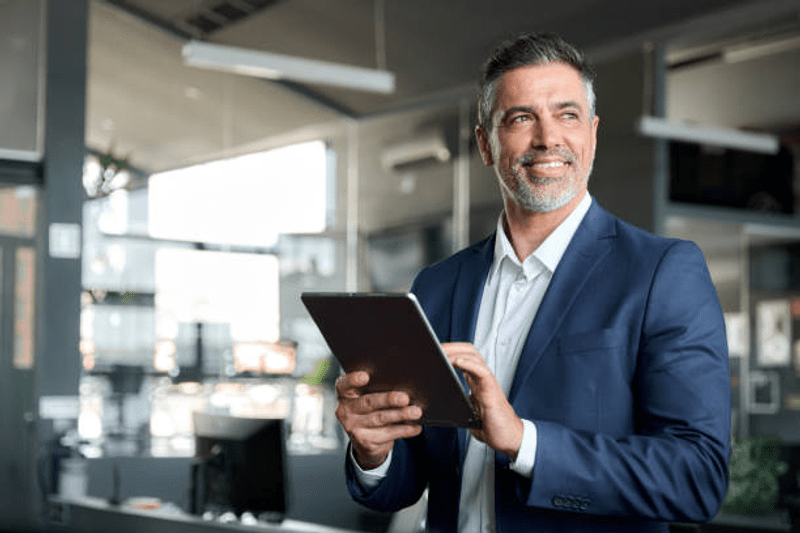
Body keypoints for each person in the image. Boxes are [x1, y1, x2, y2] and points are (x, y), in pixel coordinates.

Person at [335, 32, 731, 533]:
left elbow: (697, 478)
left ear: (592, 133)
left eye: (567, 115)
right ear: (486, 144)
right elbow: (411, 478)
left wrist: (525, 442)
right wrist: (373, 450)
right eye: (521, 118)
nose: (547, 138)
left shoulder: (662, 273)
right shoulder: (437, 285)